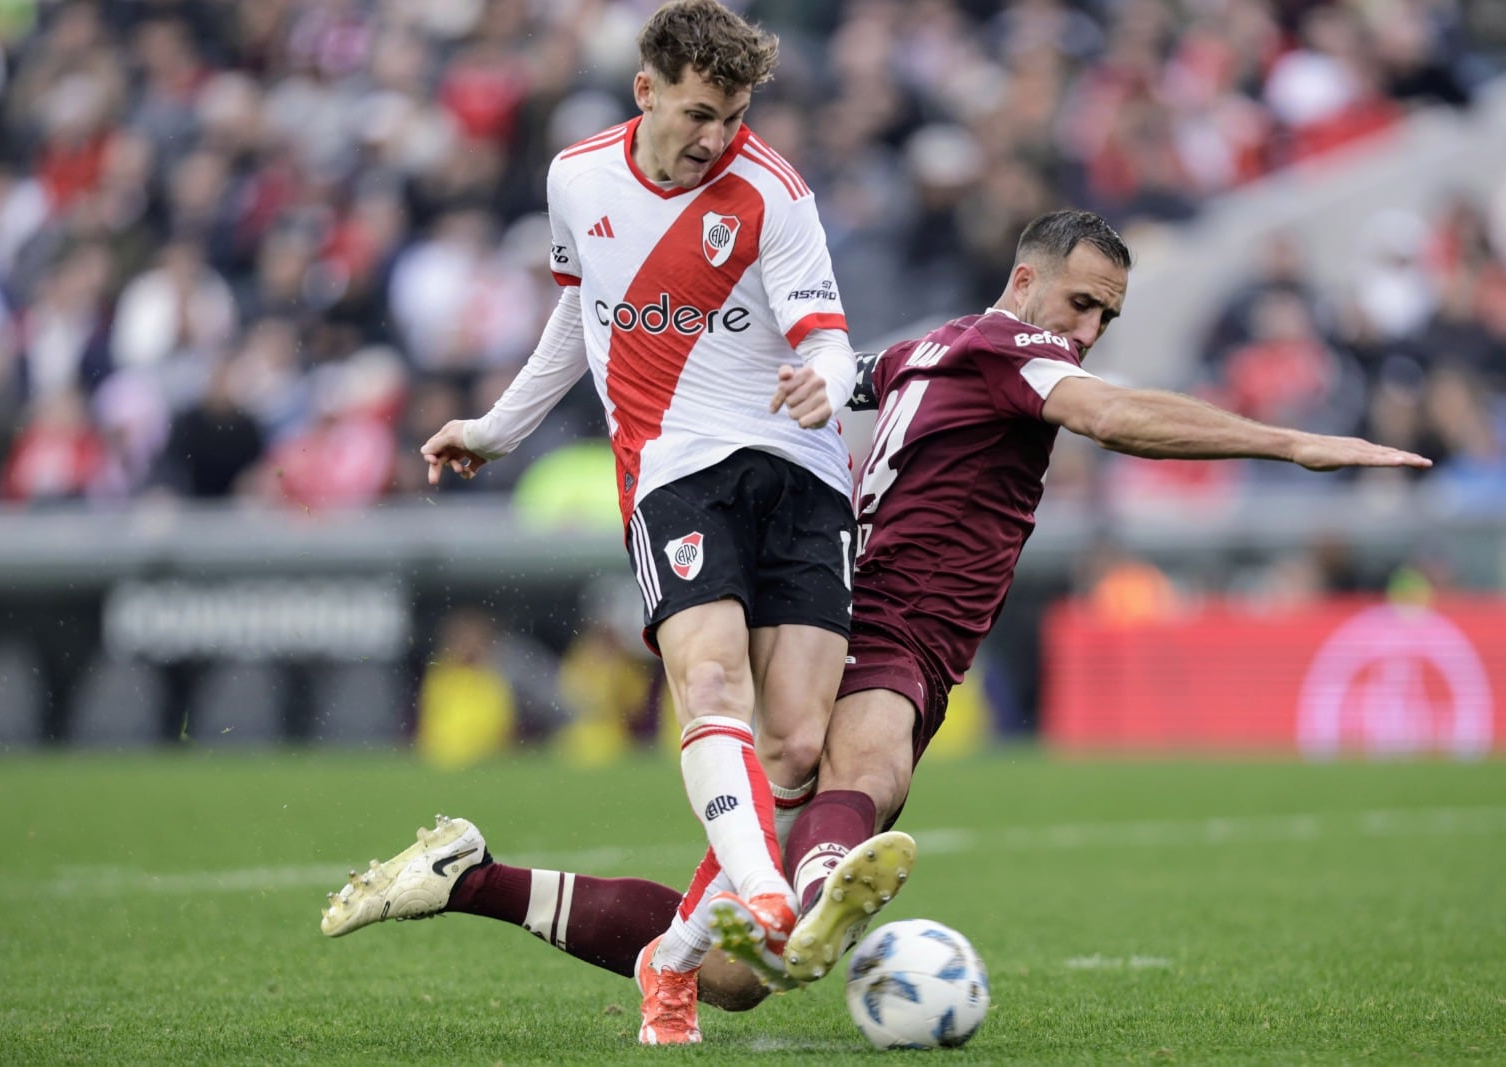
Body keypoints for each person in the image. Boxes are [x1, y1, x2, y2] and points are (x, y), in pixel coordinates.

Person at [320, 210, 1432, 1036]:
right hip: (883, 620)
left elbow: (818, 385)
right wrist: (1290, 443)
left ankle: (472, 876)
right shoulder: (1009, 352)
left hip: (843, 604)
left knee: (730, 971)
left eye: (1106, 317)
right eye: (1081, 302)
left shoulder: (918, 352)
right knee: (872, 759)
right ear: (1025, 279)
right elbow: (1115, 418)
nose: (1087, 331)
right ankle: (815, 894)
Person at [336, 0, 860, 1047]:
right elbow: (582, 316)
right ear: (647, 90)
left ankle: (672, 957)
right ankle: (763, 900)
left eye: (737, 114)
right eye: (702, 112)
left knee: (796, 749)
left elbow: (829, 334)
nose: (717, 137)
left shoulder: (772, 191)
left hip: (797, 467)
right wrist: (496, 426)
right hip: (674, 468)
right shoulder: (576, 176)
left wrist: (827, 383)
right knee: (709, 682)